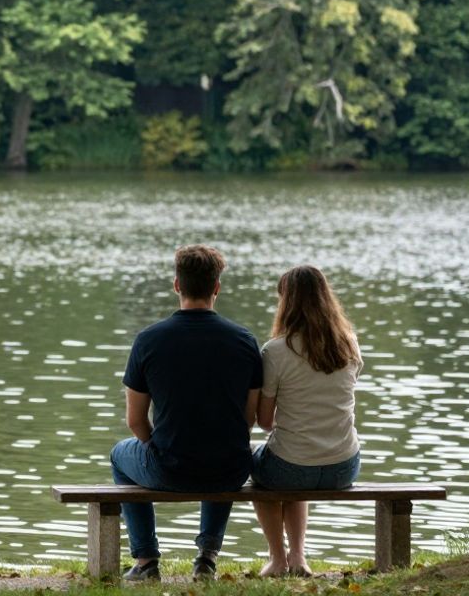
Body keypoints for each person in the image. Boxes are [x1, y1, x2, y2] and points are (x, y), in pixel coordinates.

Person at [111, 244, 263, 582]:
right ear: (217, 288)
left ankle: (146, 560)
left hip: (170, 469)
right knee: (224, 443)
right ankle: (207, 558)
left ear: (177, 285)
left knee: (120, 454)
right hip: (231, 469)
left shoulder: (148, 340)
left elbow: (136, 422)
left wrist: (157, 445)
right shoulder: (244, 340)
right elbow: (247, 421)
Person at [251, 265, 363, 578]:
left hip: (291, 467)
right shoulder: (350, 343)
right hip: (344, 466)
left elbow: (263, 421)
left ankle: (278, 558)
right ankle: (298, 556)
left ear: (285, 303)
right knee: (295, 461)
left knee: (264, 467)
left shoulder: (276, 351)